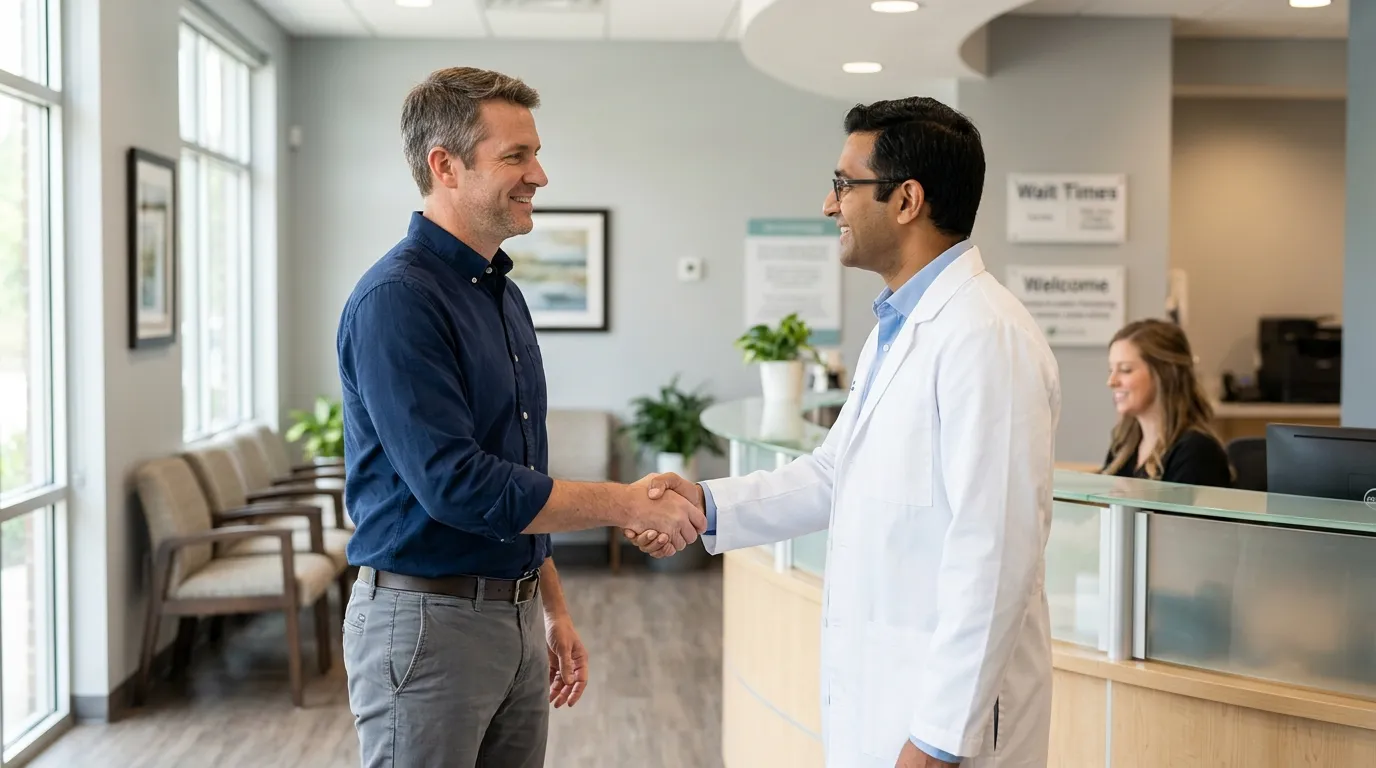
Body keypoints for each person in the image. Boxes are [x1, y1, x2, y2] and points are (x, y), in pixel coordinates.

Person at [637, 97, 1061, 767]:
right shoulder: (898, 330)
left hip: (946, 731)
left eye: (843, 184)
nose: (829, 205)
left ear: (907, 200)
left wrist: (939, 739)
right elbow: (834, 474)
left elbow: (997, 552)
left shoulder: (986, 338)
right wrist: (706, 504)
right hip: (888, 704)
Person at [335, 66, 704, 768]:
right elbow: (461, 485)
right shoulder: (398, 301)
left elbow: (516, 472)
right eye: (516, 156)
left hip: (511, 616)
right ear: (445, 165)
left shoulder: (499, 293)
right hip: (426, 629)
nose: (540, 174)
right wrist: (625, 502)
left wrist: (550, 603)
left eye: (534, 153)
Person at [1102, 318, 1234, 487]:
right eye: (1111, 370)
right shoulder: (1123, 445)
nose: (1111, 381)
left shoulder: (1196, 451)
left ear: (1163, 375)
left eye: (1125, 370)